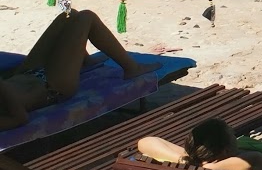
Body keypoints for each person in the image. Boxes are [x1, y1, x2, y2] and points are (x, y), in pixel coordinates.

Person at [0, 9, 160, 129]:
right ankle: (132, 68)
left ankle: (85, 61)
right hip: (52, 87)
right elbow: (20, 118)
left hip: (25, 74)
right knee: (86, 17)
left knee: (68, 15)